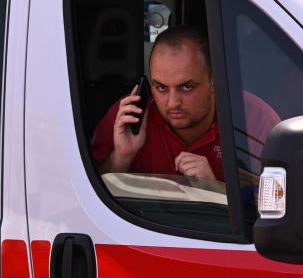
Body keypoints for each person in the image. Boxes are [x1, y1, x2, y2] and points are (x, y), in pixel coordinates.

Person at [90, 25, 279, 182]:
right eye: (161, 87)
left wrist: (215, 189)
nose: (173, 102)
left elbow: (278, 209)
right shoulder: (130, 116)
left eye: (187, 87)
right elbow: (86, 201)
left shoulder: (254, 119)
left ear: (215, 82)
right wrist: (122, 155)